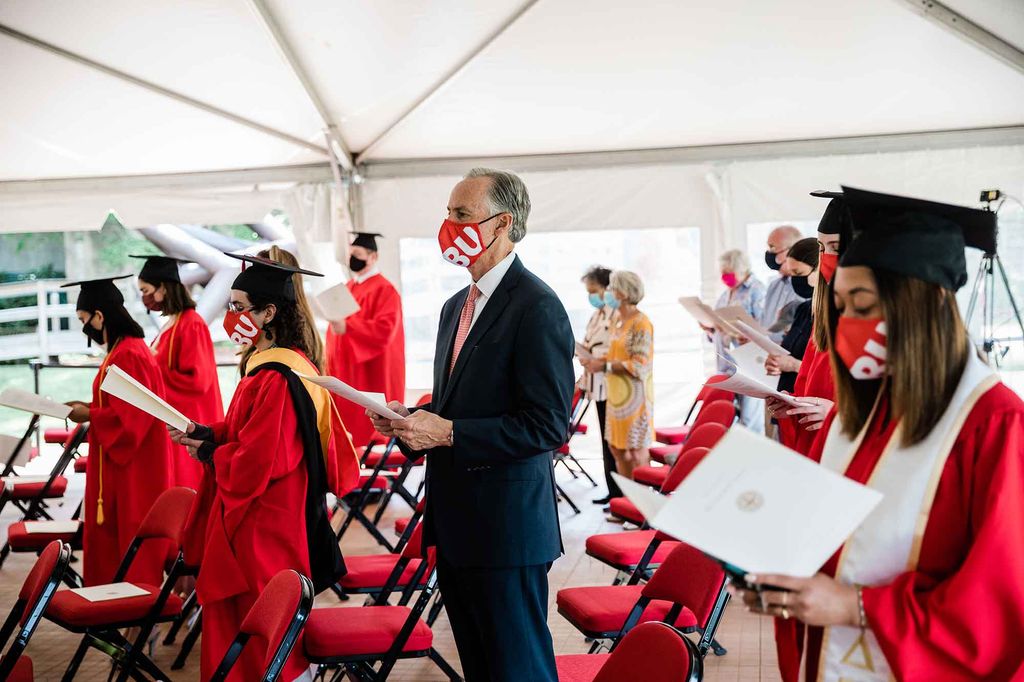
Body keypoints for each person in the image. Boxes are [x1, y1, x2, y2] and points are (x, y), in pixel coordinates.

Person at [733, 186, 1024, 682]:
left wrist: (856, 607)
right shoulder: (863, 412)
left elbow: (1000, 608)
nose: (847, 323)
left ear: (923, 303)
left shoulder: (994, 424)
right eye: (841, 305)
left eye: (862, 303)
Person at [367, 168, 574, 682]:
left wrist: (450, 432)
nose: (448, 225)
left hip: (506, 525)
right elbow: (455, 404)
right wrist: (410, 421)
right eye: (448, 213)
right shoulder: (453, 307)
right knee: (480, 666)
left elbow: (548, 425)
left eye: (461, 215)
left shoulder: (537, 305)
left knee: (517, 667)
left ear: (501, 223)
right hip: (457, 519)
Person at [171, 254, 359, 682]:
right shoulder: (269, 365)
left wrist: (208, 453)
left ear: (268, 312)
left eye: (239, 306)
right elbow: (246, 431)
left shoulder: (278, 375)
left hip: (264, 524)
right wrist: (208, 433)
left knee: (261, 627)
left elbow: (261, 461)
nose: (231, 315)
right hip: (262, 516)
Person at [62, 276, 173, 586]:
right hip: (117, 466)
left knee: (130, 538)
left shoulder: (130, 355)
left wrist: (91, 415)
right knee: (115, 540)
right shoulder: (123, 350)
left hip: (134, 470)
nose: (86, 328)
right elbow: (116, 403)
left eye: (85, 320)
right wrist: (89, 407)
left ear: (100, 316)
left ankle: (131, 614)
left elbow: (133, 420)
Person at [133, 254, 223, 489]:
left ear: (163, 287)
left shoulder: (191, 323)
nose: (144, 297)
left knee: (187, 487)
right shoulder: (172, 323)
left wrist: (151, 368)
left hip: (190, 421)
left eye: (146, 290)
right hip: (172, 421)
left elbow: (197, 381)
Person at [769, 192, 847, 454]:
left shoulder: (883, 327)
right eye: (821, 248)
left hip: (843, 449)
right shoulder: (823, 316)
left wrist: (838, 415)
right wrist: (790, 404)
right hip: (815, 446)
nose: (826, 258)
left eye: (835, 247)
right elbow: (807, 386)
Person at [324, 231, 406, 448]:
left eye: (358, 253)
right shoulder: (349, 287)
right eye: (351, 254)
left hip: (370, 371)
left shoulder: (385, 289)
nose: (353, 259)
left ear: (373, 257)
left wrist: (348, 327)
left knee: (366, 427)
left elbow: (384, 330)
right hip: (346, 369)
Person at [584, 270, 653, 486]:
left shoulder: (641, 322)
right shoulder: (618, 321)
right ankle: (628, 506)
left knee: (635, 453)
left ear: (622, 293)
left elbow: (639, 364)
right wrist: (593, 359)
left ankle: (641, 510)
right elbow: (616, 354)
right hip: (616, 396)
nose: (608, 293)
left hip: (635, 398)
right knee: (617, 449)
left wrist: (602, 365)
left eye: (612, 288)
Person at [577, 265, 618, 505]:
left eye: (594, 290)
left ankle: (619, 494)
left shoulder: (616, 315)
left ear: (606, 289)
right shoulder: (597, 315)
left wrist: (595, 358)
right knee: (604, 439)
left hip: (611, 384)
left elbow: (612, 349)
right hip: (596, 383)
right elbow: (590, 342)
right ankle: (612, 491)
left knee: (613, 441)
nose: (591, 296)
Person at [712, 249, 765, 430]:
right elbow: (718, 325)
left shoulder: (756, 290)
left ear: (742, 270)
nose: (725, 277)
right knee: (729, 419)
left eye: (729, 273)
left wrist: (747, 334)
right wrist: (711, 328)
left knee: (750, 419)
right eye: (723, 273)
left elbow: (764, 328)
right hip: (728, 364)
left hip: (750, 363)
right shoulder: (726, 294)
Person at [765, 238, 819, 394]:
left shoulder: (832, 317)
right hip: (787, 399)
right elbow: (787, 352)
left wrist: (794, 365)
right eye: (791, 274)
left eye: (798, 273)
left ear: (820, 269)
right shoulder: (802, 309)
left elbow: (831, 375)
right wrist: (775, 363)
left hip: (810, 404)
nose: (794, 280)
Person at [761, 225, 805, 340]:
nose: (769, 253)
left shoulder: (809, 288)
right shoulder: (773, 286)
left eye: (773, 247)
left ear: (792, 250)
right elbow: (765, 326)